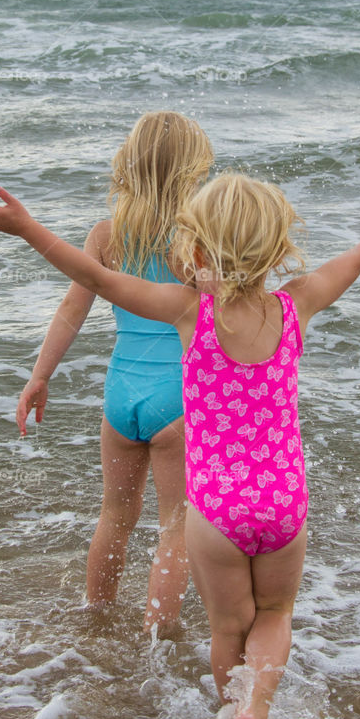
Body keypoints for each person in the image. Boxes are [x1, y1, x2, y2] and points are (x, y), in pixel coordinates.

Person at [0, 173, 360, 719]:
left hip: (217, 510)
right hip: (283, 502)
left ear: (197, 249)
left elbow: (95, 277)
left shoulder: (189, 312)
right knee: (275, 614)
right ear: (279, 249)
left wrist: (27, 228)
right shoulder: (297, 302)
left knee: (228, 629)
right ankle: (259, 702)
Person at [12, 112, 213, 636]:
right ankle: (156, 642)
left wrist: (39, 376)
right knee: (176, 530)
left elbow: (71, 311)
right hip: (180, 396)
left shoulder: (107, 235)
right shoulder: (200, 239)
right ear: (193, 171)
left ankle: (95, 619)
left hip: (121, 396)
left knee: (115, 518)